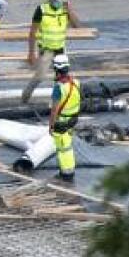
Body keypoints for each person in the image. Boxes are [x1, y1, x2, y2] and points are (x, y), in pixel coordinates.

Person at [22, 0, 83, 103]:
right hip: (46, 50)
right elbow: (32, 32)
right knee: (40, 77)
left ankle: (59, 102)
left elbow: (77, 26)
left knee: (62, 78)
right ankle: (25, 98)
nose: (53, 0)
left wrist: (69, 10)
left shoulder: (65, 10)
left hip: (60, 49)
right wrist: (31, 53)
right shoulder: (42, 10)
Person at [48, 54, 80, 182]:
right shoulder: (76, 82)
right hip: (73, 119)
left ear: (56, 69)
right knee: (67, 145)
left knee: (62, 148)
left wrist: (51, 125)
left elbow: (54, 109)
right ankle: (69, 170)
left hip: (61, 122)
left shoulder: (59, 87)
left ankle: (66, 173)